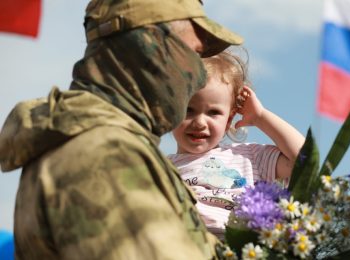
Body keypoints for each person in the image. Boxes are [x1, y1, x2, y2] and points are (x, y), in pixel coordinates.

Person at [0, 0, 244, 259]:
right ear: (151, 45)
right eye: (194, 54)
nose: (198, 75)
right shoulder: (102, 154)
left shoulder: (104, 141)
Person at [168, 51, 305, 239]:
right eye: (188, 110)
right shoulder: (161, 167)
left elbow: (305, 161)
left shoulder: (249, 157)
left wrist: (260, 117)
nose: (200, 122)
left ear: (229, 118)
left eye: (213, 112)